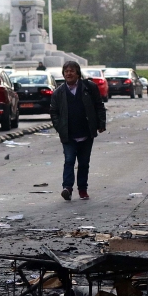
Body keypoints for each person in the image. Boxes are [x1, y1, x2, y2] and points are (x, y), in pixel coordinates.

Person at [48, 61, 107, 201]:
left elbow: (99, 105)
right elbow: (54, 112)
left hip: (86, 132)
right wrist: (60, 127)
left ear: (78, 73)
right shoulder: (59, 93)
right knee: (69, 160)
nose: (69, 74)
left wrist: (101, 123)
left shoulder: (89, 87)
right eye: (66, 71)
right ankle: (67, 188)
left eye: (71, 71)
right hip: (68, 134)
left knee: (84, 162)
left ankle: (82, 189)